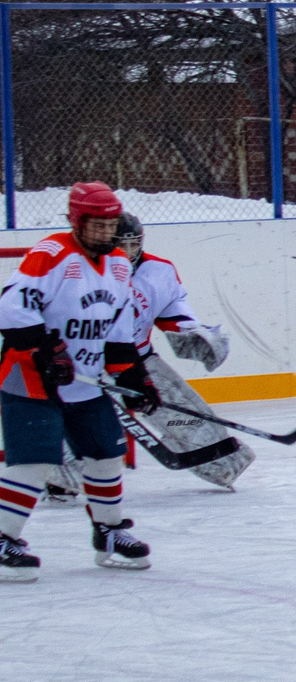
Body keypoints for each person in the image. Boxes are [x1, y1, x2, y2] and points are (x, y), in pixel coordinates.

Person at [0, 181, 160, 580]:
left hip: (85, 381)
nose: (106, 232)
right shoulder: (51, 254)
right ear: (77, 220)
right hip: (31, 379)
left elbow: (119, 335)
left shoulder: (120, 266)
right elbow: (11, 307)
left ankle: (108, 532)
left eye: (111, 225)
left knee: (106, 453)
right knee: (35, 462)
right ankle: (3, 538)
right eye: (98, 225)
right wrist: (44, 349)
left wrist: (135, 378)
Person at [115, 210, 254, 490]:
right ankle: (60, 480)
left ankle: (220, 466)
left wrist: (193, 334)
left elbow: (171, 313)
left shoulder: (159, 270)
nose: (129, 251)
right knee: (84, 427)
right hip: (90, 364)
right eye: (122, 244)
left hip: (139, 360)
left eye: (134, 243)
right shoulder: (88, 269)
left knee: (189, 415)